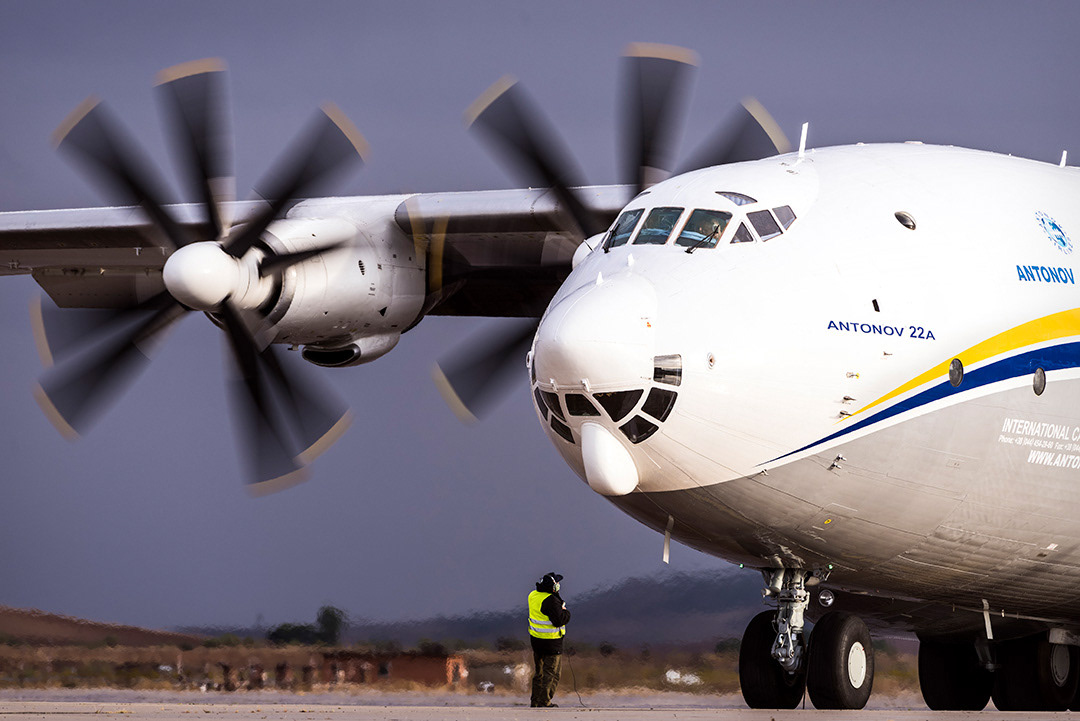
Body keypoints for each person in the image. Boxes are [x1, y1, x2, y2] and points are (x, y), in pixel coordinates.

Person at [528, 572, 571, 708]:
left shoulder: (533, 595)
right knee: (552, 673)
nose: (559, 585)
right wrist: (565, 611)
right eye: (557, 583)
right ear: (552, 586)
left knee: (539, 673)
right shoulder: (551, 600)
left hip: (536, 641)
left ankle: (535, 700)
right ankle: (544, 701)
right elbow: (559, 620)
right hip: (551, 643)